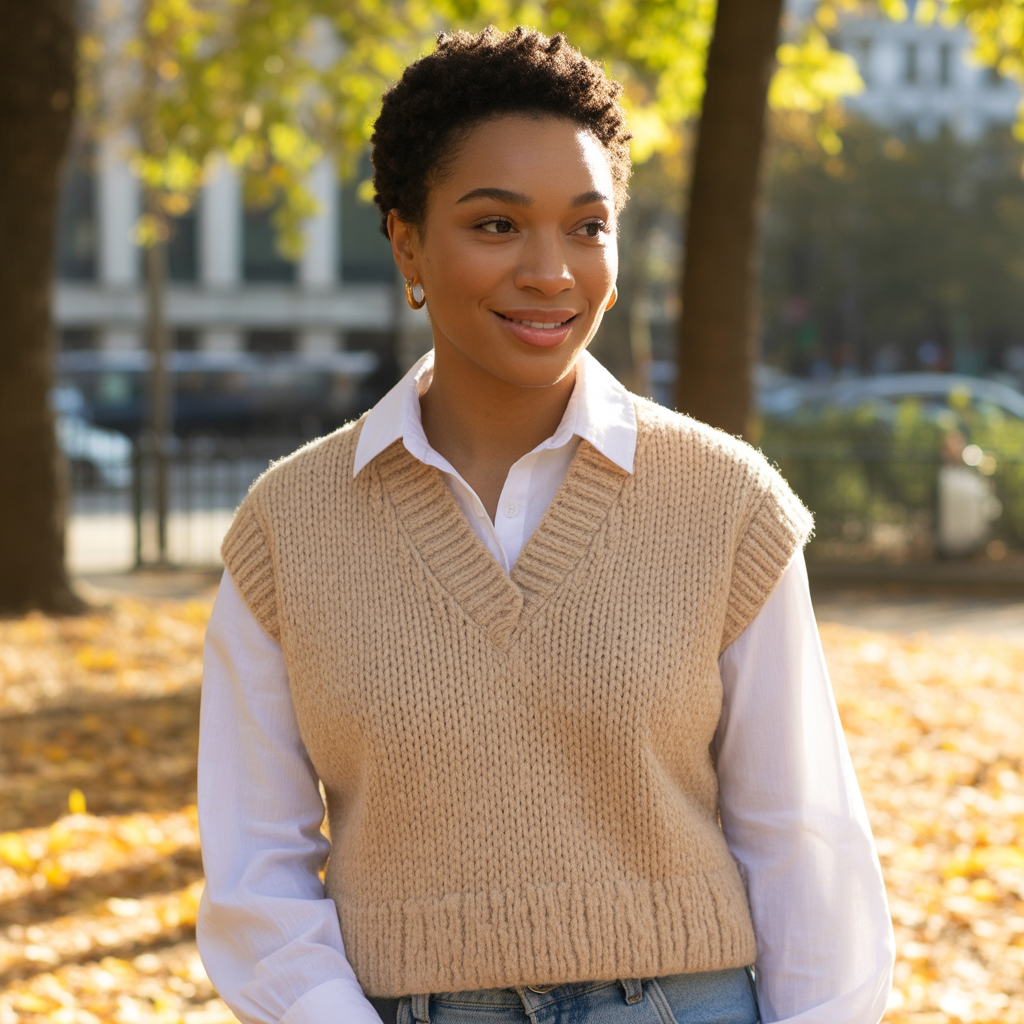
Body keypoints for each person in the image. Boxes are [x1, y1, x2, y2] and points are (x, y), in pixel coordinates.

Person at [196, 26, 894, 1024]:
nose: (550, 271)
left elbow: (803, 838)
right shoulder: (288, 528)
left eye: (586, 226)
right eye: (495, 224)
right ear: (406, 242)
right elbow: (255, 865)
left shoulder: (724, 503)